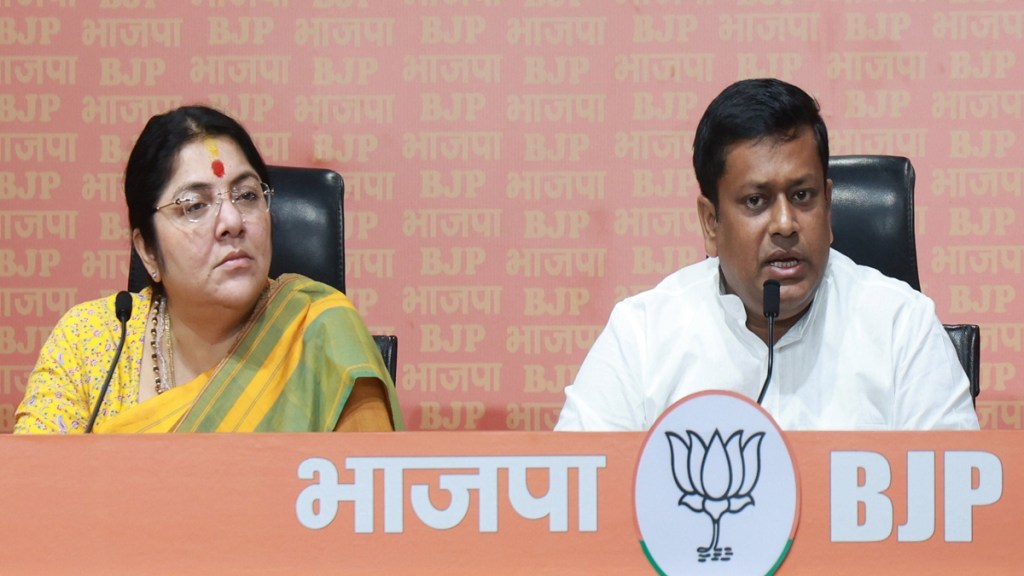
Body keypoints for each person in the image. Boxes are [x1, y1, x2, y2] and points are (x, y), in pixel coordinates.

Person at [556, 78, 979, 431]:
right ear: (710, 223)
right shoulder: (643, 337)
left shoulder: (901, 329)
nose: (785, 223)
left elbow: (961, 509)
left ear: (828, 206)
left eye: (802, 196)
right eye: (756, 201)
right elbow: (577, 501)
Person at [15, 105, 403, 433]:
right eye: (195, 206)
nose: (232, 220)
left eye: (248, 195)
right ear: (148, 250)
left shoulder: (323, 335)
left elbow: (368, 505)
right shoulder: (89, 341)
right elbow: (33, 492)